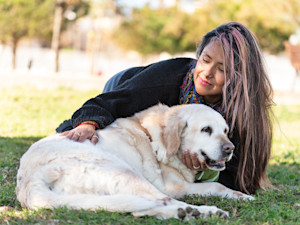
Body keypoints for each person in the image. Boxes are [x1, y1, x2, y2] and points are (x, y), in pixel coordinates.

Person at [57, 22, 274, 195]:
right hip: (126, 89)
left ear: (239, 78)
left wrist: (202, 172)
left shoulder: (244, 113)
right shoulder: (169, 79)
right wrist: (87, 124)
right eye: (205, 60)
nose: (207, 73)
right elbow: (106, 103)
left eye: (222, 69)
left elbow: (239, 180)